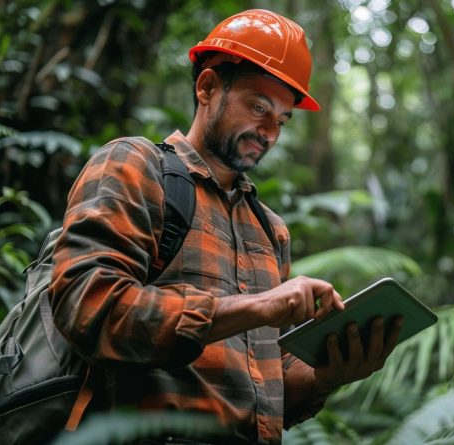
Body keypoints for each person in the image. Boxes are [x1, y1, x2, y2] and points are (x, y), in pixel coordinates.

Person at [49, 9, 402, 445]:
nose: (270, 131)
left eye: (283, 119)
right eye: (258, 107)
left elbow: (266, 394)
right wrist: (255, 307)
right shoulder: (135, 165)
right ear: (208, 87)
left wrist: (326, 376)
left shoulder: (269, 229)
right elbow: (88, 306)